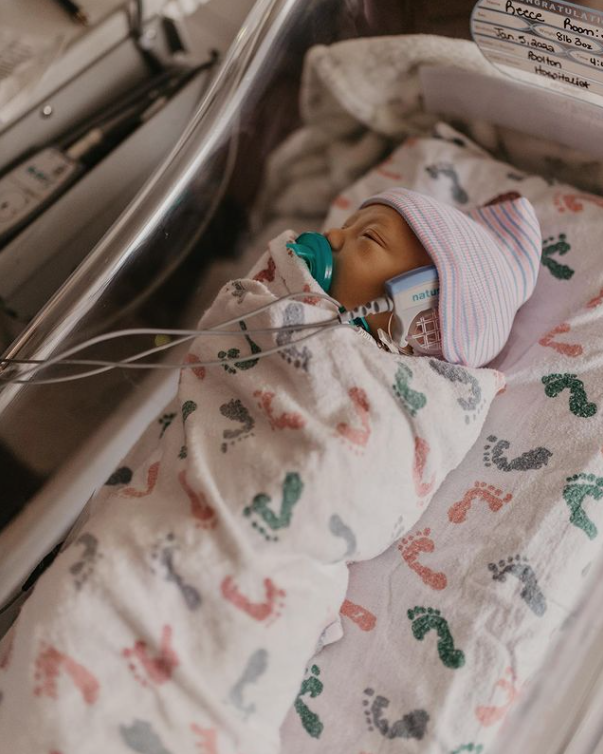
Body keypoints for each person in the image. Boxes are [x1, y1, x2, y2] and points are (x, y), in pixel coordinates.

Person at [0, 188, 540, 754]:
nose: (332, 237)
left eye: (367, 237)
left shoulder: (401, 411)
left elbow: (344, 486)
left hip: (235, 591)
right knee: (73, 627)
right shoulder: (284, 318)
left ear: (421, 307)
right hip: (138, 552)